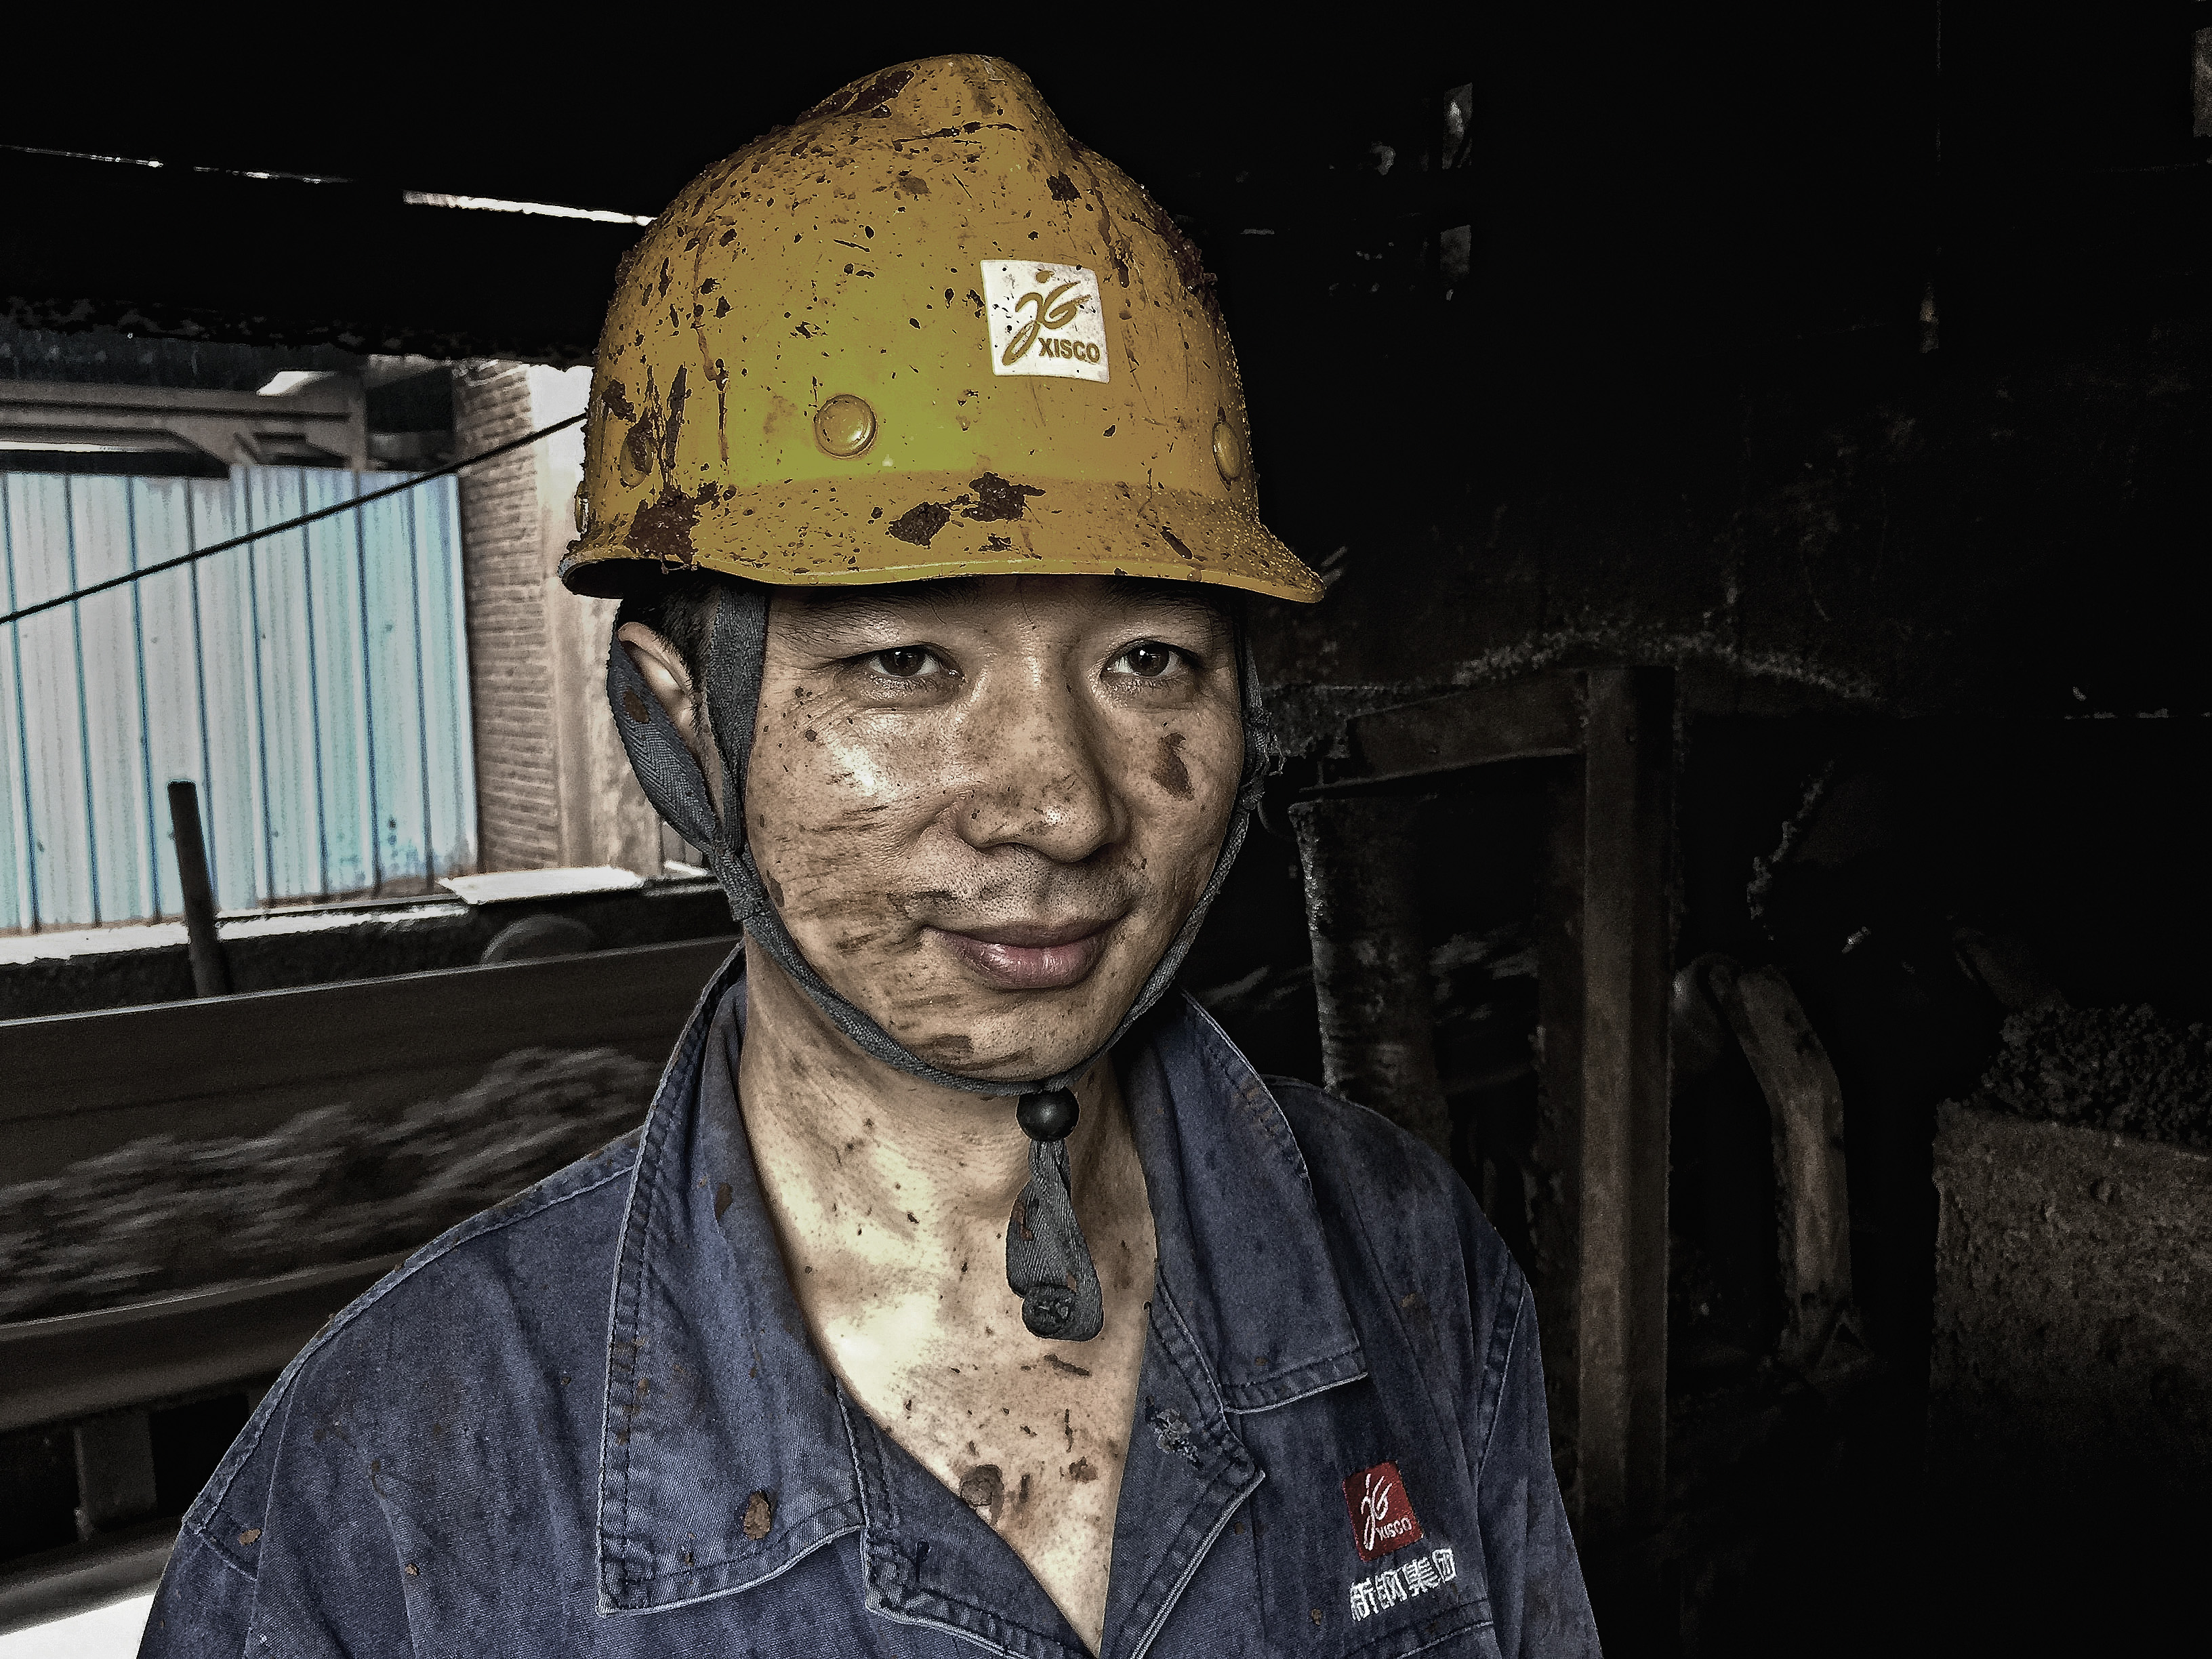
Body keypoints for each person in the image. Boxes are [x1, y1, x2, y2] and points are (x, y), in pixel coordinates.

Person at [141, 54, 1597, 1658]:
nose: (1064, 809)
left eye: (1151, 660)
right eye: (906, 663)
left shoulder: (1403, 1258)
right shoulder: (396, 1492)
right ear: (675, 727)